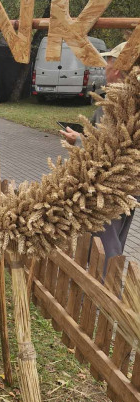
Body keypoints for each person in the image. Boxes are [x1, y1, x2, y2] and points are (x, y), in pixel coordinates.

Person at [59, 41, 138, 261]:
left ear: (117, 68)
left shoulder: (118, 104)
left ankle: (103, 288)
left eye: (108, 62)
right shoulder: (131, 100)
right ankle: (110, 284)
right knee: (117, 238)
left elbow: (110, 151)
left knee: (104, 244)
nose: (105, 67)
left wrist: (79, 141)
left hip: (108, 188)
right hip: (129, 187)